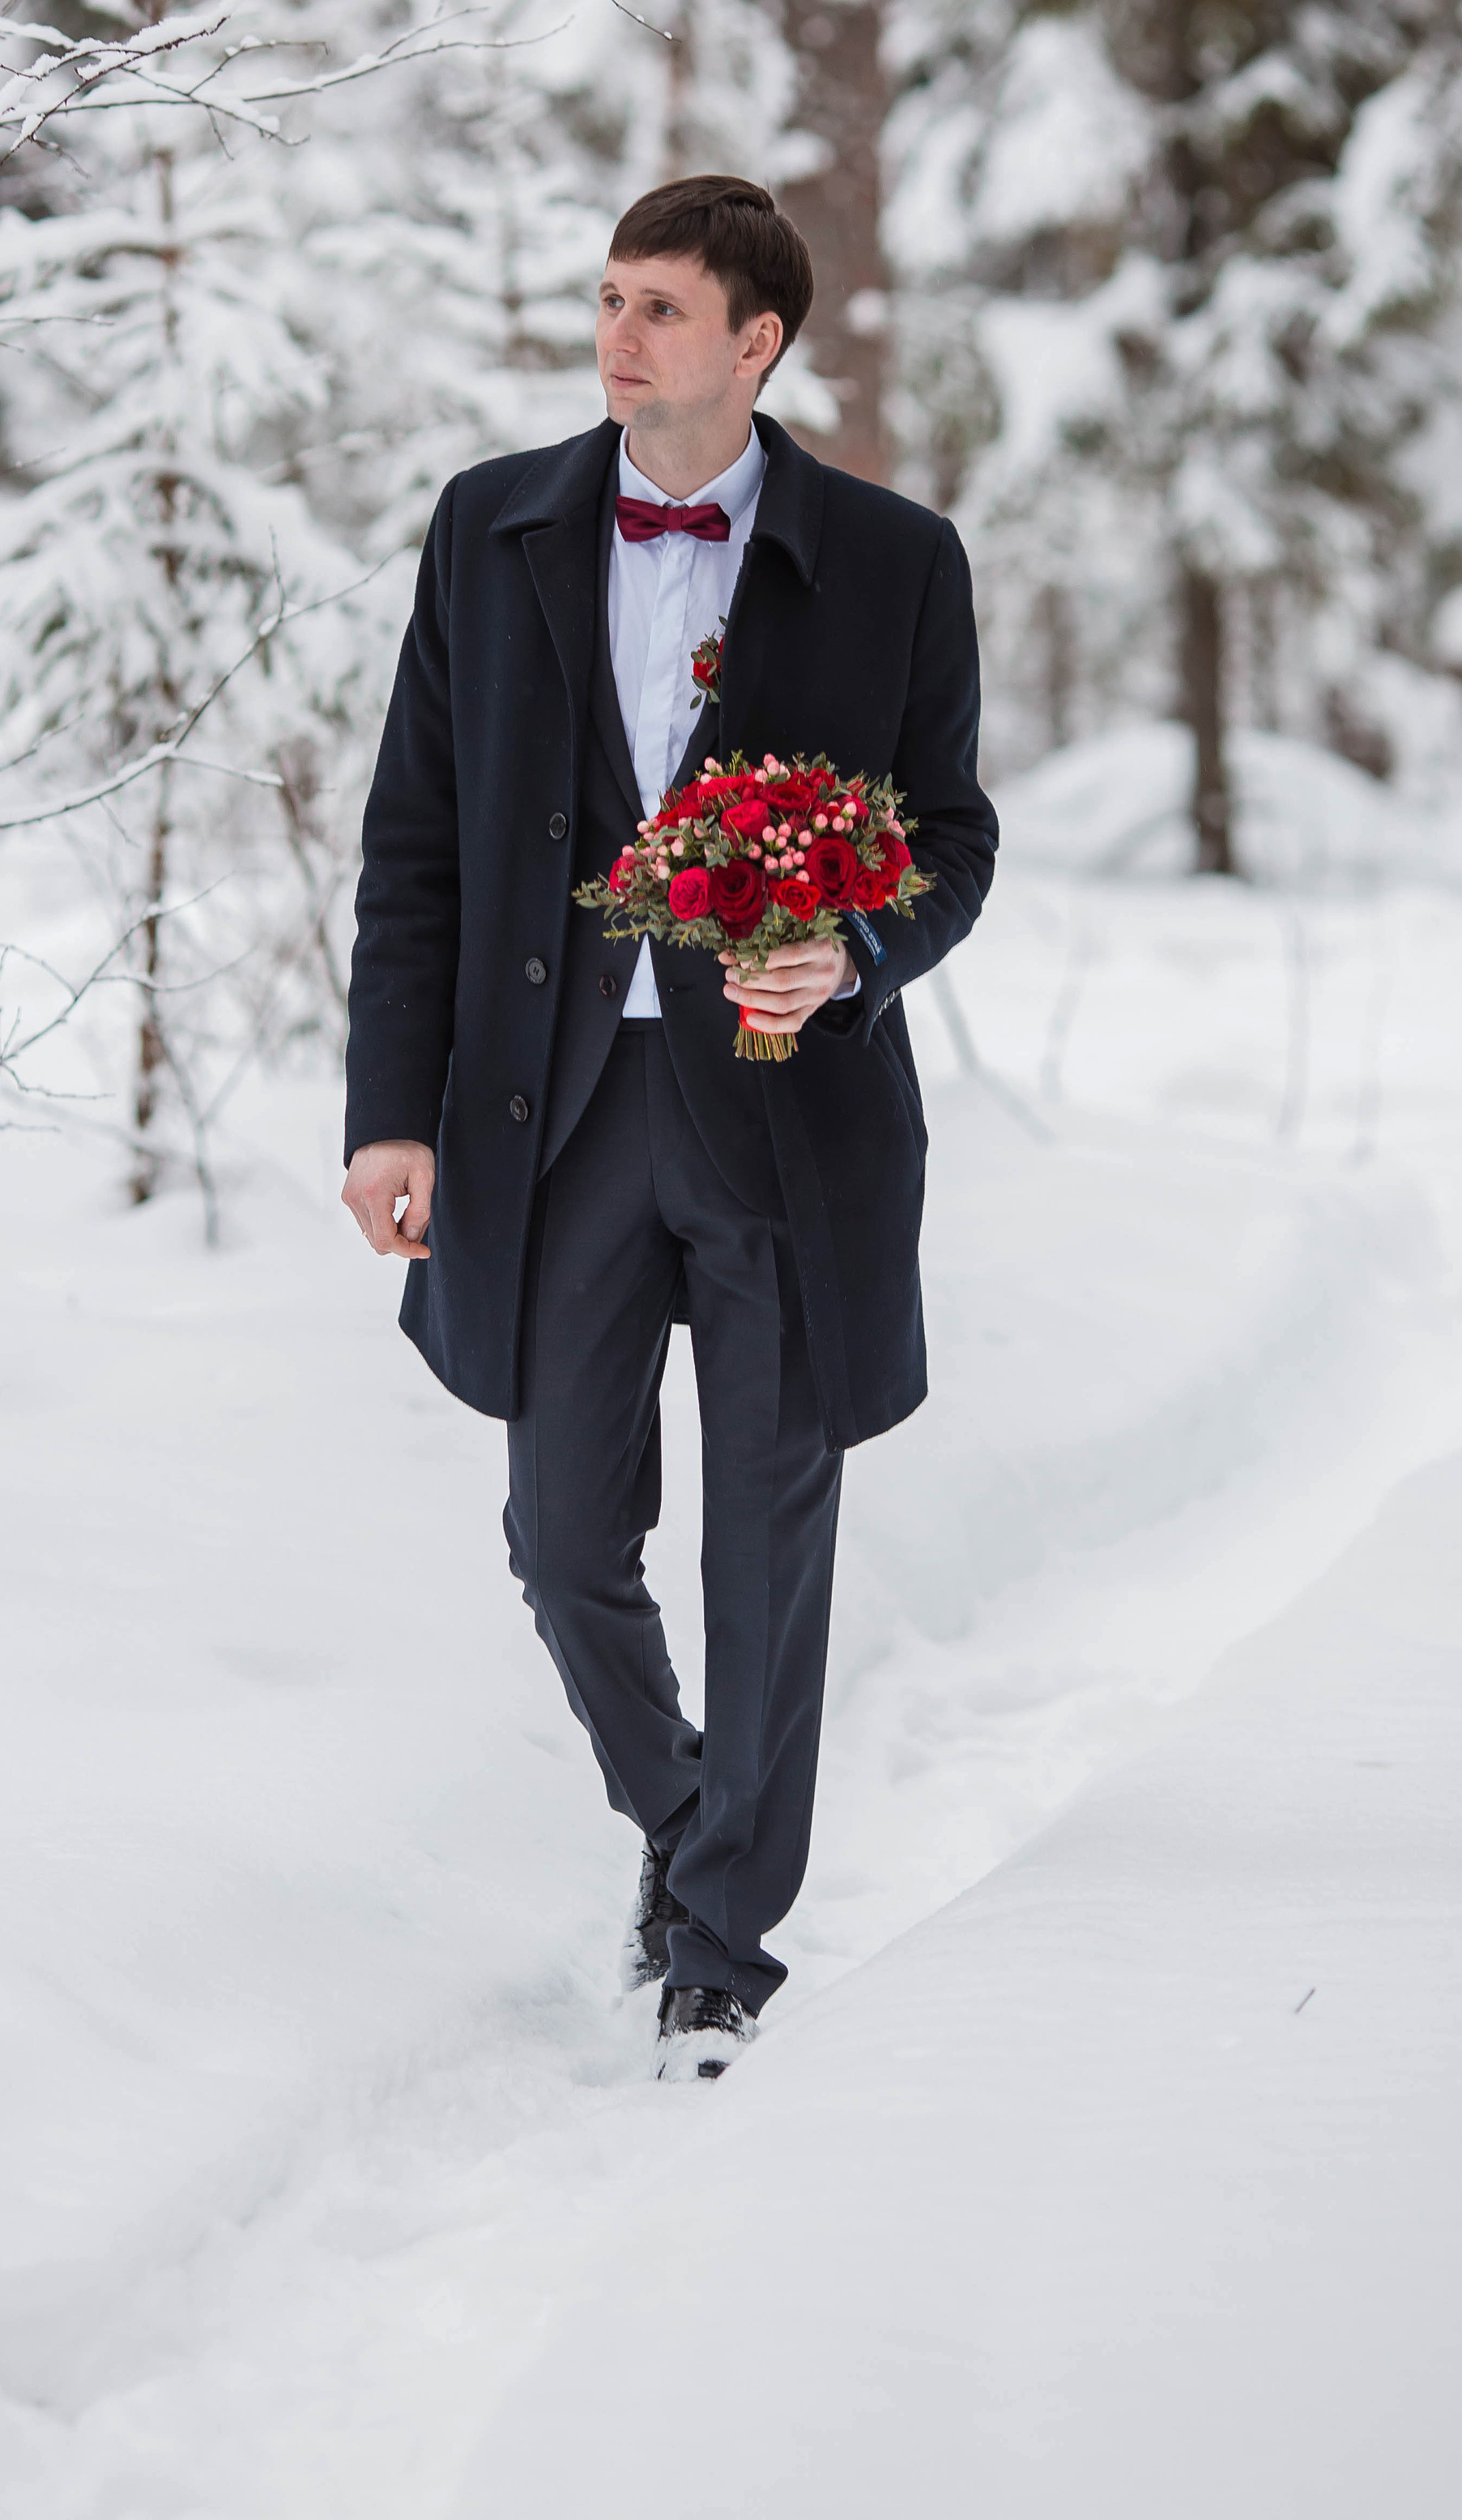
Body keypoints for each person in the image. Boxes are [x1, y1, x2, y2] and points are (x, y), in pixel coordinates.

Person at [342, 177, 998, 2079]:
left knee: (764, 1543)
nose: (614, 337)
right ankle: (684, 1814)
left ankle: (721, 1944)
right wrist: (393, 1115)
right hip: (553, 1119)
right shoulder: (489, 527)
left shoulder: (891, 560)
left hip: (792, 1128)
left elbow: (946, 844)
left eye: (656, 308)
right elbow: (414, 846)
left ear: (754, 343)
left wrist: (850, 952)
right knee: (562, 1535)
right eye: (606, 298)